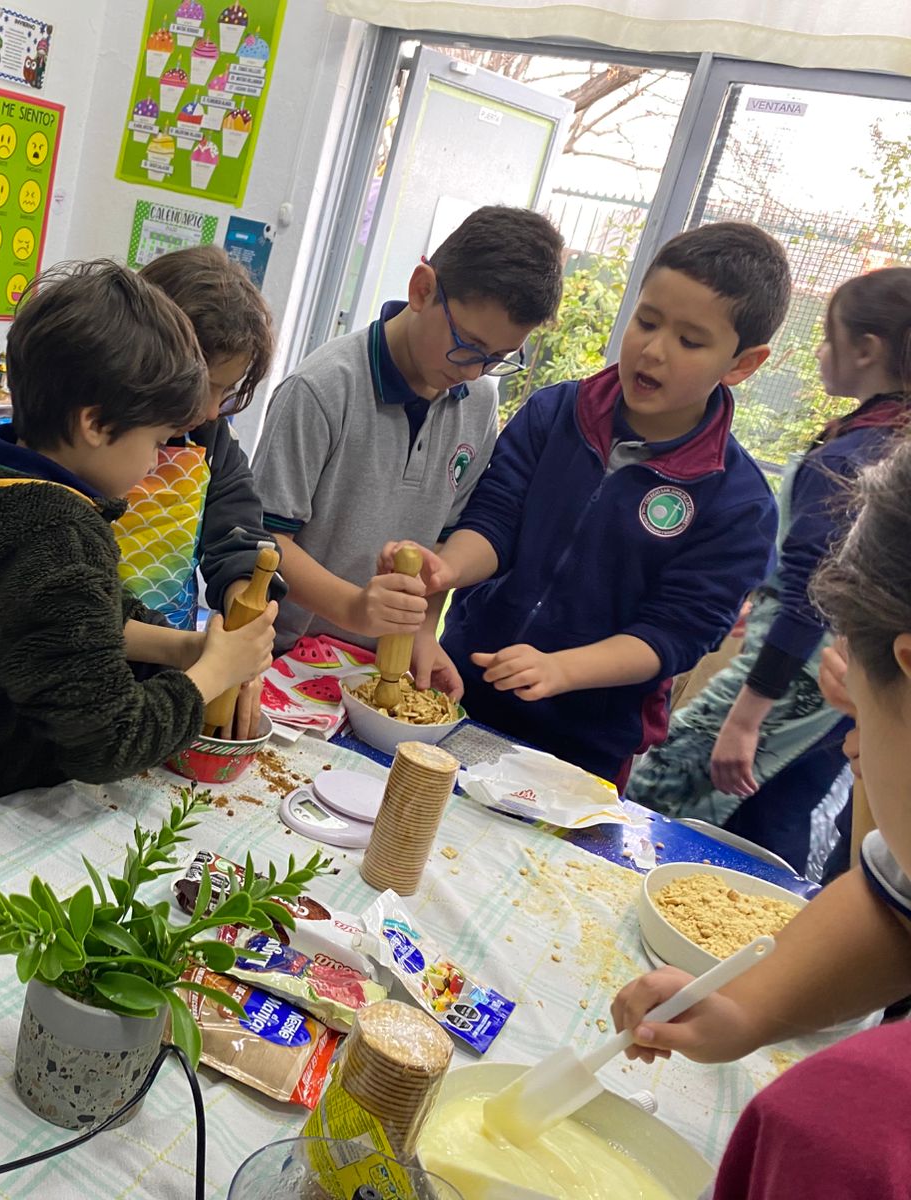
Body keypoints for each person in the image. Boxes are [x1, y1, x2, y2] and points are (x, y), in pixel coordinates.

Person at [611, 433, 911, 1199]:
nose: (852, 755)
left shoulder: (849, 1121)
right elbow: (891, 898)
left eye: (858, 728)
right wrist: (743, 1010)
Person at [419, 223, 788, 787]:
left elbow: (675, 633)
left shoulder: (738, 502)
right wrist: (447, 568)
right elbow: (494, 522)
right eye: (647, 321)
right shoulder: (554, 413)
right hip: (461, 690)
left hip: (583, 749)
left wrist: (562, 669)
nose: (653, 350)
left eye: (690, 342)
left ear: (742, 364)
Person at [0, 260, 278, 804]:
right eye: (156, 442)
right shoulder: (64, 537)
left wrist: (185, 647)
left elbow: (67, 622)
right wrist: (213, 673)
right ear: (96, 424)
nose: (156, 462)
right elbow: (110, 740)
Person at [630, 269, 911, 870]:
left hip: (800, 670)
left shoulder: (851, 457)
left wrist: (746, 714)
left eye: (830, 338)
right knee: (777, 806)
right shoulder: (891, 438)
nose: (821, 352)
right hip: (849, 680)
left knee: (663, 781)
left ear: (867, 349)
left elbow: (813, 593)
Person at [252, 206, 565, 691]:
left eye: (497, 359)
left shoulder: (479, 401)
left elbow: (443, 540)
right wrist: (353, 607)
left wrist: (421, 630)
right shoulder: (321, 389)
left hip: (377, 668)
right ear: (422, 289)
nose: (472, 371)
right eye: (468, 345)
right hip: (280, 659)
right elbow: (265, 540)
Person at [113, 245, 284, 740]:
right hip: (89, 671)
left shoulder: (211, 439)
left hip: (174, 681)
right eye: (204, 387)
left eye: (225, 393)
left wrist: (243, 619)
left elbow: (238, 532)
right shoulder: (95, 447)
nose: (211, 411)